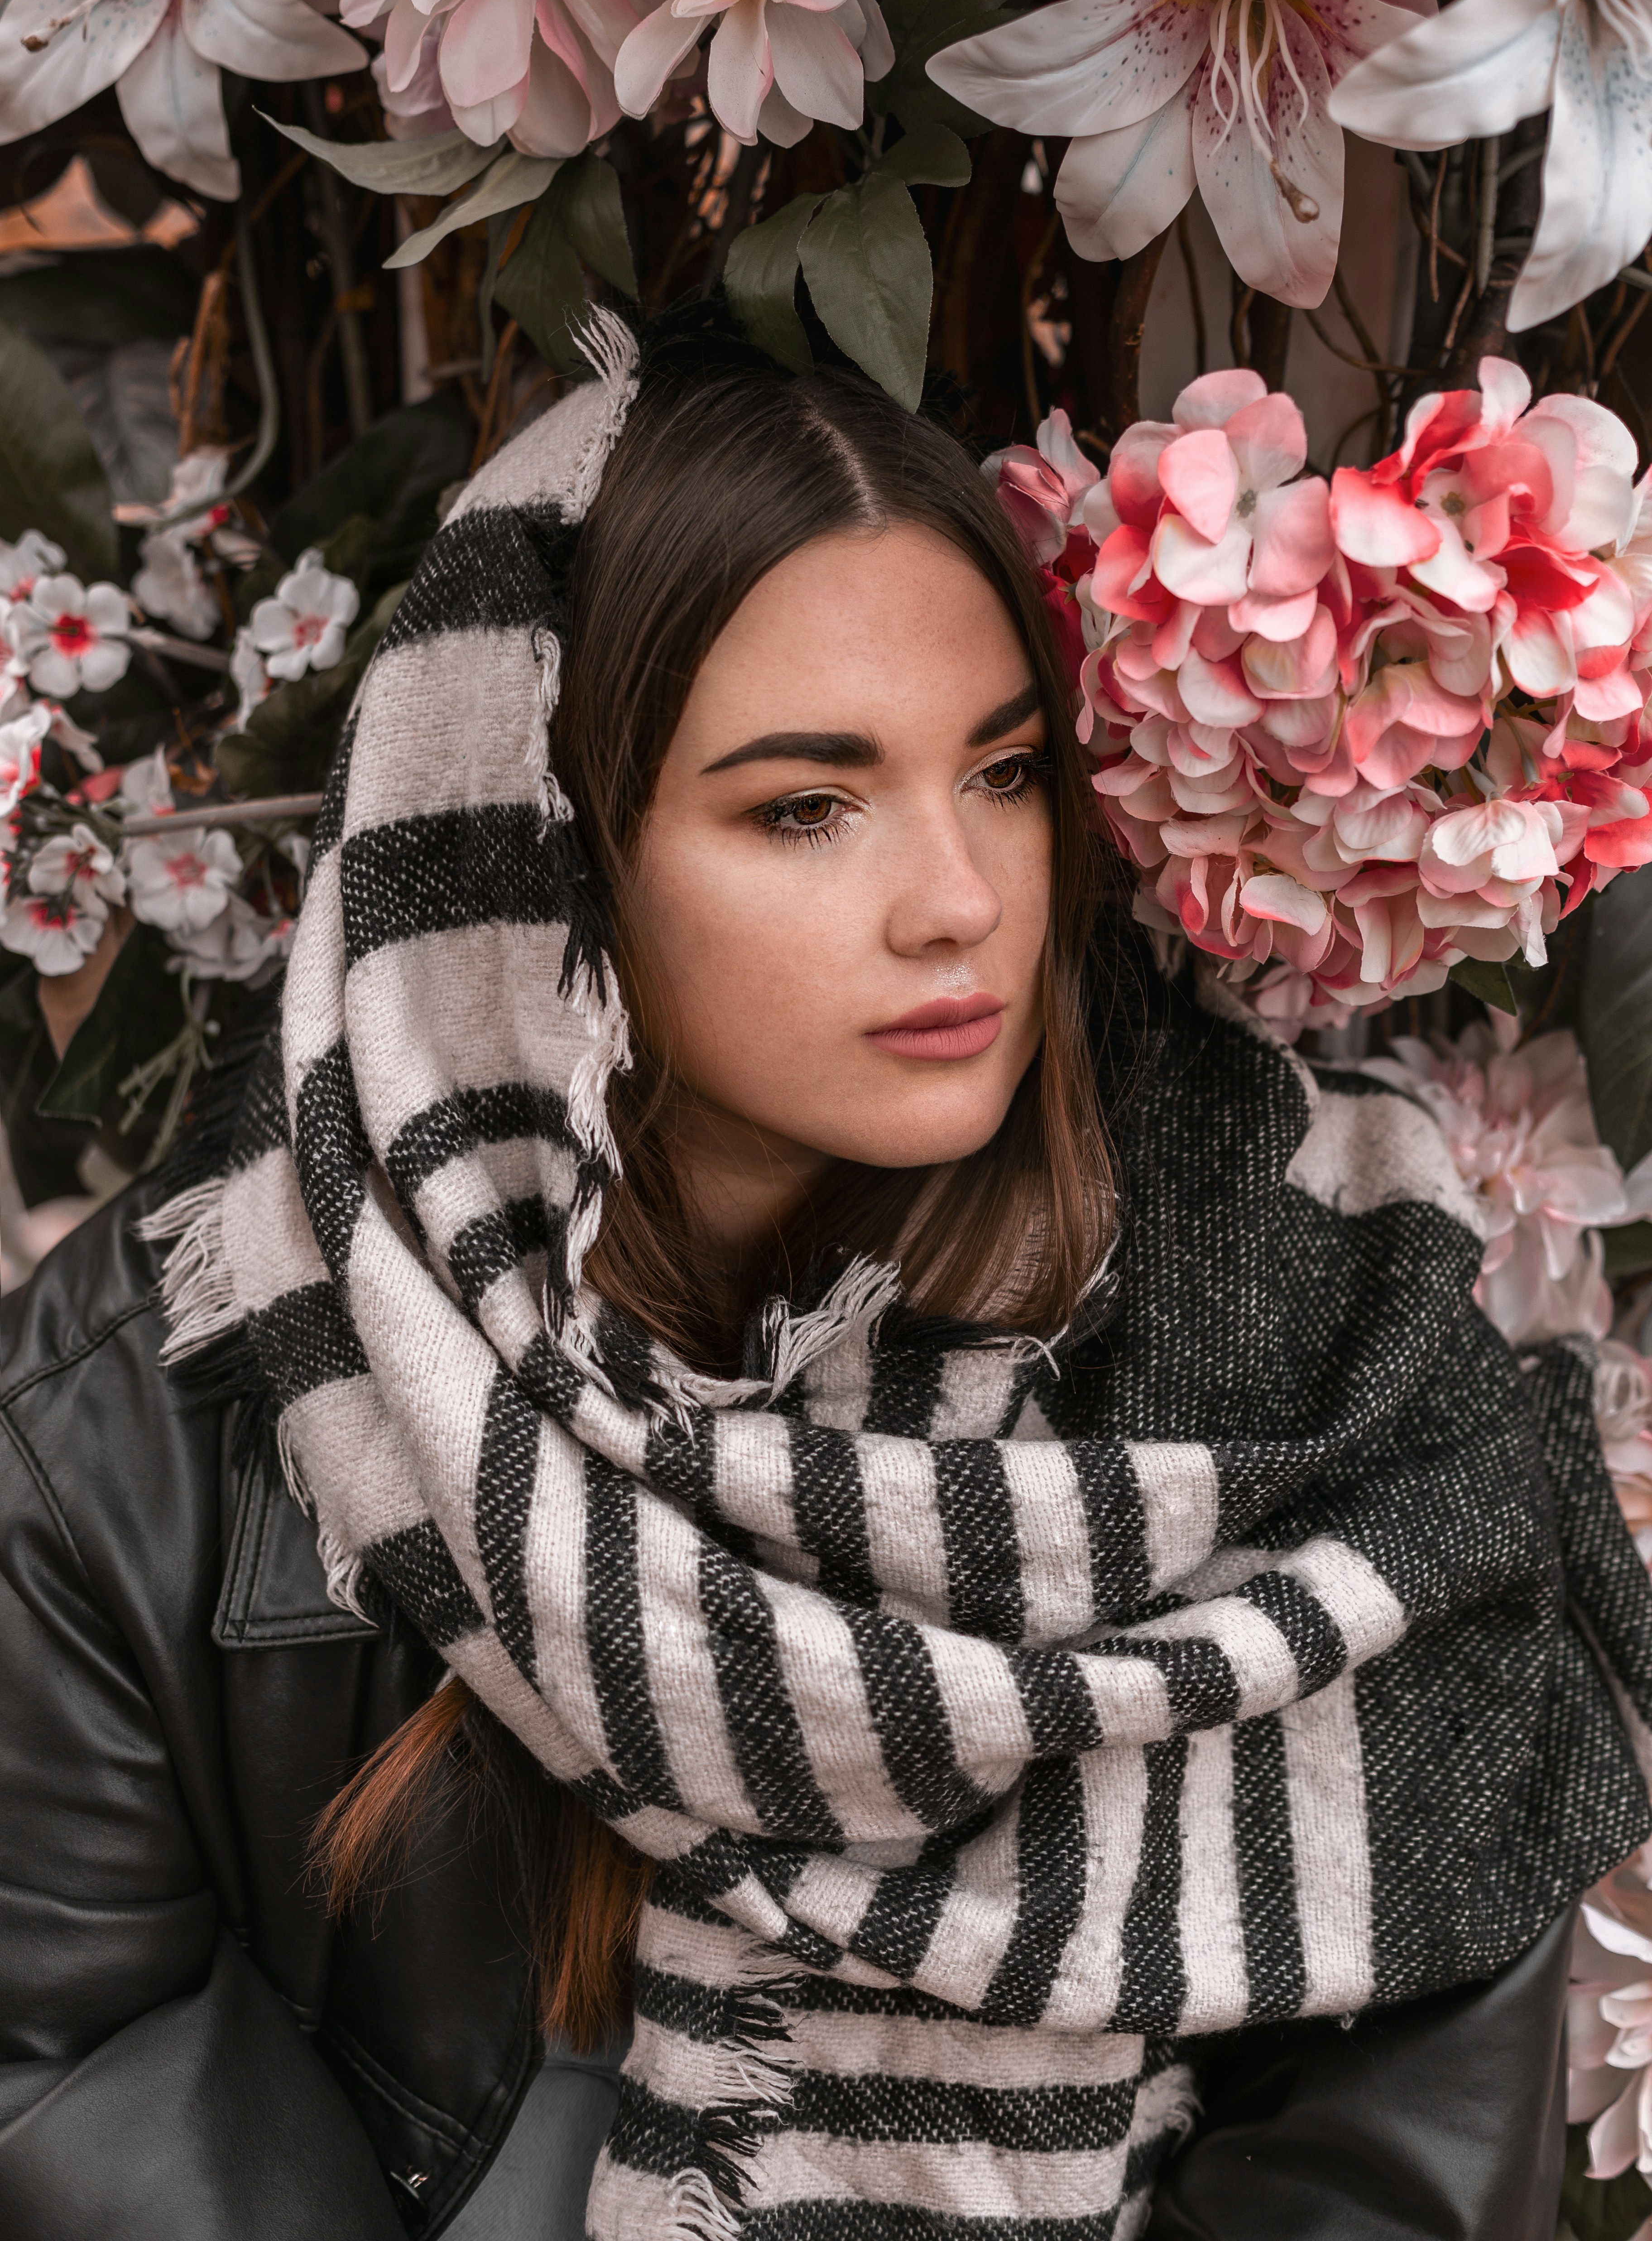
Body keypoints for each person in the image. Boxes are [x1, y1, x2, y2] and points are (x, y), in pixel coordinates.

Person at [1, 304, 1646, 2241]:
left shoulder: (1325, 1363)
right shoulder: (162, 1403)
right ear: (544, 859)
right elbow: (67, 2068)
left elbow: (1390, 2153)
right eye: (804, 805)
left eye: (1008, 774)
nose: (960, 901)